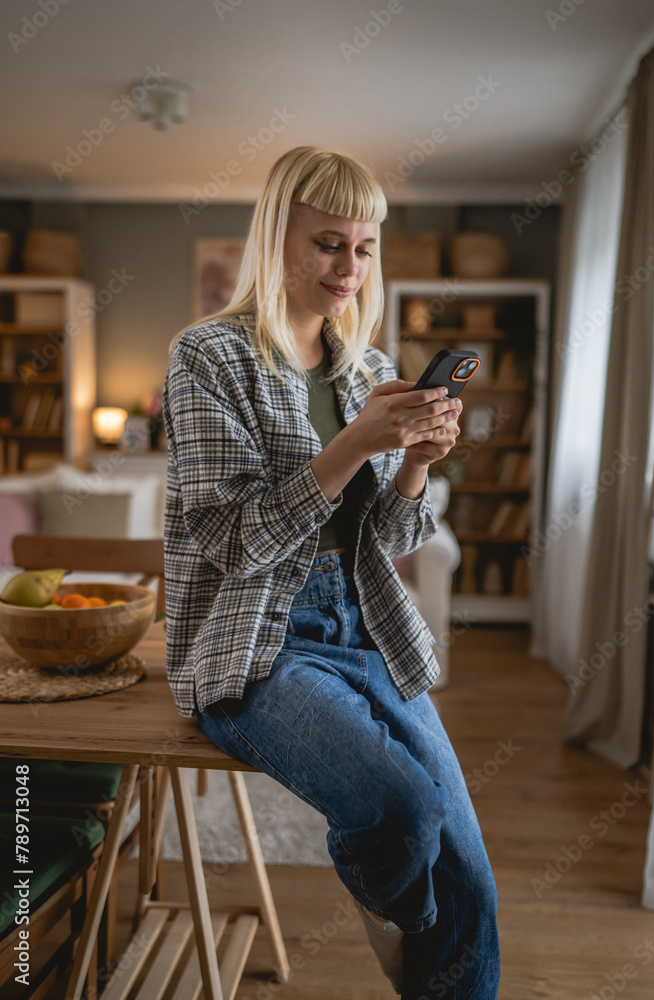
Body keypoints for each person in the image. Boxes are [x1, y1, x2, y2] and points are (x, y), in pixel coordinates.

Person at [162, 145, 500, 999]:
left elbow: (386, 536)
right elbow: (228, 539)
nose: (349, 267)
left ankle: (427, 943)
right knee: (400, 812)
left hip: (368, 624)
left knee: (469, 876)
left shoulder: (371, 369)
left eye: (364, 247)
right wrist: (353, 447)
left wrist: (418, 463)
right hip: (257, 640)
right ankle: (401, 922)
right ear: (277, 237)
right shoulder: (209, 357)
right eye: (327, 243)